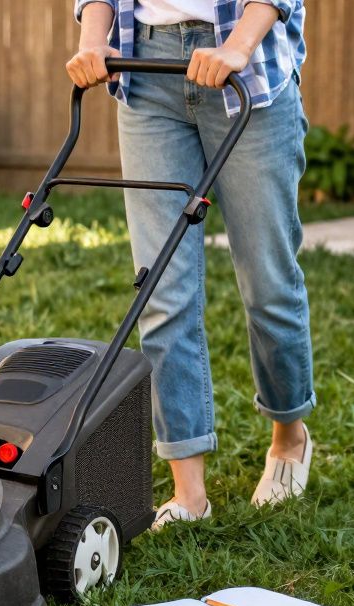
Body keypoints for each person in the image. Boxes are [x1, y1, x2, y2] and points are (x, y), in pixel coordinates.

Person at [66, 0, 313, 526]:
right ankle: (189, 493)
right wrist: (93, 40)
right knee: (161, 290)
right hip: (145, 71)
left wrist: (237, 47)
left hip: (250, 71)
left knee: (268, 283)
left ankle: (289, 439)